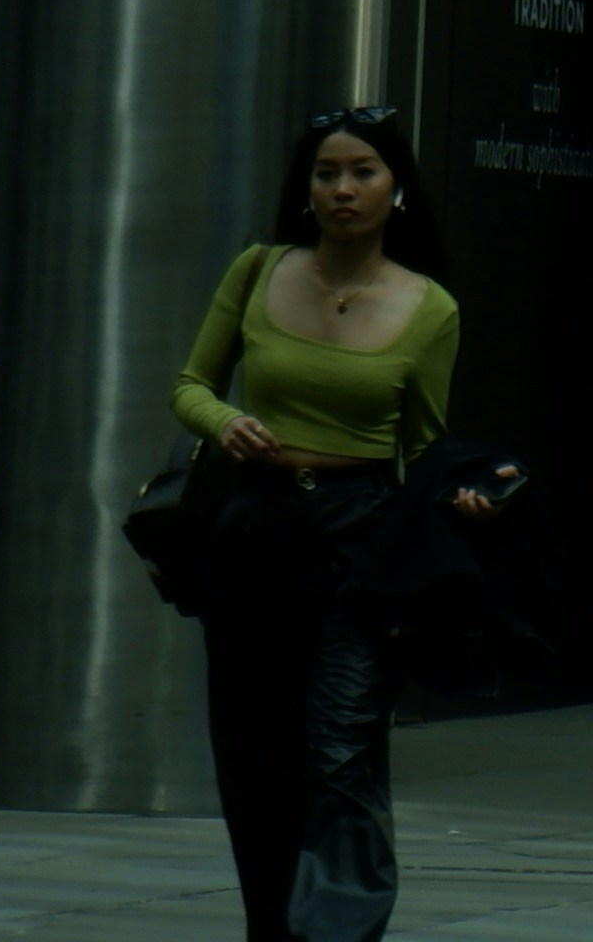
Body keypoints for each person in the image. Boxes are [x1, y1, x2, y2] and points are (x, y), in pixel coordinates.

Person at [176, 105, 505, 941]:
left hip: (362, 541)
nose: (343, 189)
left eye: (363, 171)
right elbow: (190, 385)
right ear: (306, 189)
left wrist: (463, 502)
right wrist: (223, 423)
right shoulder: (257, 270)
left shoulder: (429, 308)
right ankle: (270, 929)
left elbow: (426, 448)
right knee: (254, 754)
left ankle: (338, 932)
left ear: (396, 190)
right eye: (327, 173)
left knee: (341, 752)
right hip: (255, 527)